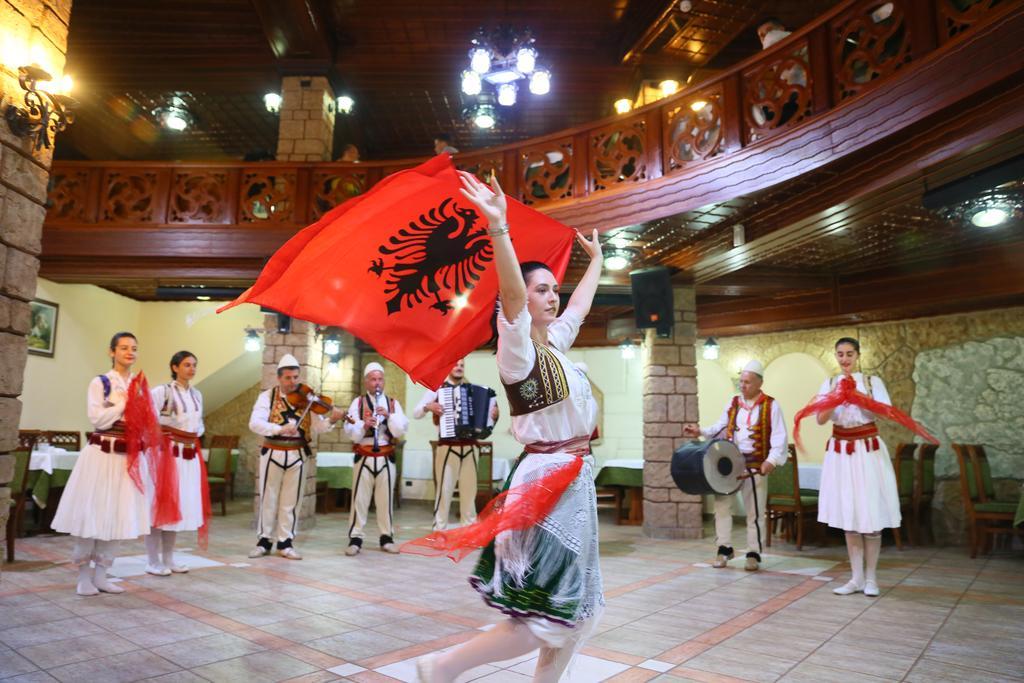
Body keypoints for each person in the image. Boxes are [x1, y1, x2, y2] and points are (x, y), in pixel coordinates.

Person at [411, 171, 604, 682]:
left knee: (575, 614)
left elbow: (581, 305)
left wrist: (598, 261)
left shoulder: (555, 346)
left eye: (553, 289)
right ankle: (440, 669)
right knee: (540, 619)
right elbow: (515, 302)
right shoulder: (516, 352)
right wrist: (499, 229)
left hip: (573, 478)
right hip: (547, 480)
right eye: (543, 289)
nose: (552, 296)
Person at [51, 332, 151, 596]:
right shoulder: (101, 382)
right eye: (124, 348)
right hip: (100, 456)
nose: (130, 352)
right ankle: (84, 576)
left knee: (117, 515)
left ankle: (102, 574)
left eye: (134, 348)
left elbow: (142, 422)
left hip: (125, 460)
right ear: (112, 352)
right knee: (92, 513)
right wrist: (122, 405)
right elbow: (98, 419)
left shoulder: (140, 386)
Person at [815, 338, 901, 597]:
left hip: (867, 450)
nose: (844, 359)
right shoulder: (829, 384)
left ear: (858, 355)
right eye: (840, 354)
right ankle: (856, 578)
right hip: (841, 452)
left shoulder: (873, 383)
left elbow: (886, 414)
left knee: (870, 513)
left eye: (849, 354)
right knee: (849, 515)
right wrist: (836, 397)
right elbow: (820, 419)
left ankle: (872, 578)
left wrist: (857, 395)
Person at [683, 360, 787, 571]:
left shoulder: (771, 405)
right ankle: (724, 549)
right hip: (730, 465)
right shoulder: (733, 403)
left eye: (747, 382)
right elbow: (720, 427)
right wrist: (700, 431)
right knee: (722, 507)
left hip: (756, 466)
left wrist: (771, 461)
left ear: (759, 383)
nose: (743, 386)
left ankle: (753, 553)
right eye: (741, 381)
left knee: (754, 511)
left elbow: (779, 437)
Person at [248, 353, 346, 559]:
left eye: (295, 377)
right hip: (272, 451)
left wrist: (332, 420)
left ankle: (286, 543)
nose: (292, 382)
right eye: (288, 378)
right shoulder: (267, 396)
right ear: (279, 378)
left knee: (291, 501)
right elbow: (255, 423)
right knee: (268, 497)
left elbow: (318, 427)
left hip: (297, 454)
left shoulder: (307, 400)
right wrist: (280, 429)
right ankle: (264, 541)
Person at [413, 358, 499, 531]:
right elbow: (416, 413)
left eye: (462, 365)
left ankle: (468, 528)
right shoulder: (437, 389)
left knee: (469, 492)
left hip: (470, 446)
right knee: (444, 491)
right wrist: (429, 407)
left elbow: (485, 418)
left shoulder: (472, 389)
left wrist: (493, 415)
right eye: (455, 365)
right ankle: (439, 529)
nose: (459, 368)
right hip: (447, 447)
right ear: (448, 367)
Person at [145, 351, 206, 576]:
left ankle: (169, 558)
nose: (191, 369)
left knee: (177, 506)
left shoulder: (197, 394)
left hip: (187, 456)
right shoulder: (162, 392)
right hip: (166, 455)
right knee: (159, 506)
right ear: (174, 367)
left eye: (194, 365)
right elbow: (148, 419)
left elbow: (200, 423)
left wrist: (194, 434)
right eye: (187, 364)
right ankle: (152, 560)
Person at [343, 362, 409, 555]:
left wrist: (388, 416)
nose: (377, 383)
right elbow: (351, 433)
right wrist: (364, 425)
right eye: (373, 379)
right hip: (364, 456)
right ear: (366, 382)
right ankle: (355, 538)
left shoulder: (393, 403)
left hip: (386, 455)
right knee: (359, 500)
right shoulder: (357, 403)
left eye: (380, 379)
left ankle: (386, 537)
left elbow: (401, 429)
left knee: (385, 500)